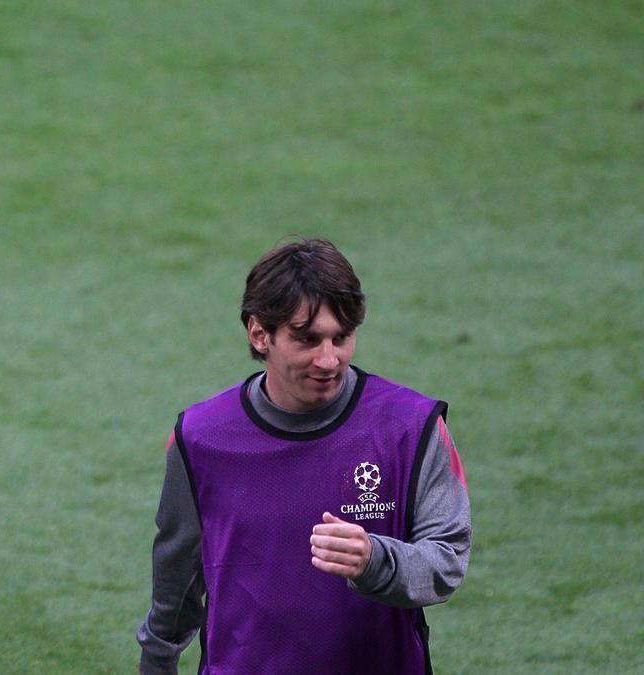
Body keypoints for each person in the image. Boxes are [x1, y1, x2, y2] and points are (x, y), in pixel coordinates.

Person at [137, 238, 470, 674]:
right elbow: (176, 585)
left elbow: (447, 559)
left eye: (342, 337)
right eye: (307, 339)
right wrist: (157, 663)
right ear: (259, 333)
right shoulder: (200, 439)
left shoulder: (411, 427)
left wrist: (375, 560)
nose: (329, 360)